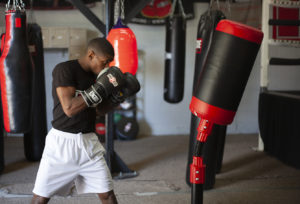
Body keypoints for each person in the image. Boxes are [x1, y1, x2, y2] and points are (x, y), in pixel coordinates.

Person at [31, 37, 131, 204]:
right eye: (104, 62)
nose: (106, 67)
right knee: (41, 197)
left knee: (107, 195)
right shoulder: (64, 69)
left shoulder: (98, 77)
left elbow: (99, 110)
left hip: (89, 144)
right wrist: (99, 89)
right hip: (61, 144)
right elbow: (69, 108)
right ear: (91, 55)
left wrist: (117, 99)